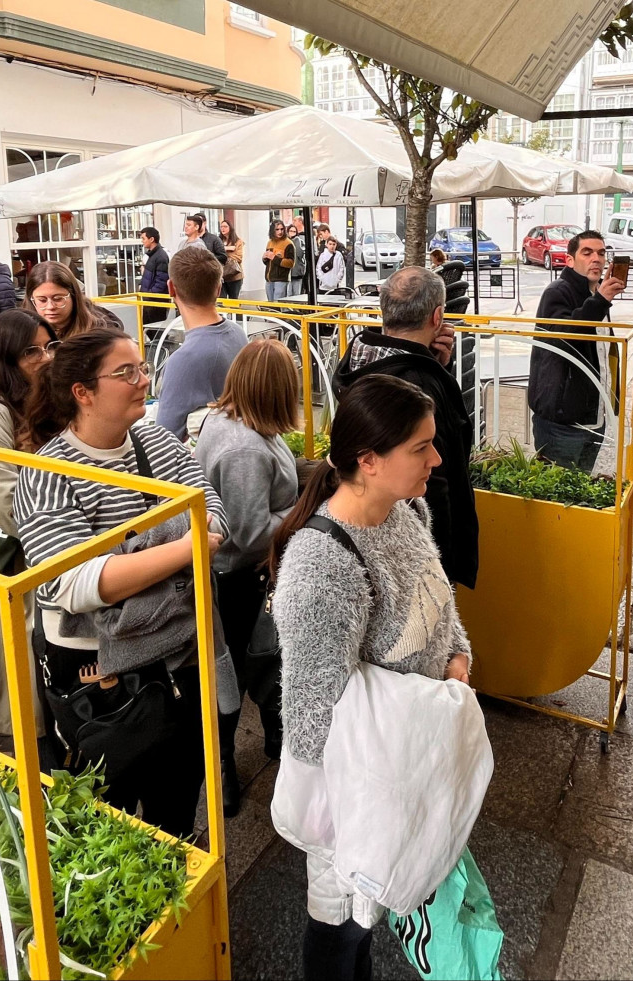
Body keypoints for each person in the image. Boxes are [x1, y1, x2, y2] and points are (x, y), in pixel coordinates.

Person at [268, 373, 472, 981]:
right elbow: (310, 715)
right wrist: (331, 826)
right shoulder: (321, 565)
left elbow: (437, 594)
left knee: (372, 914)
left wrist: (456, 655)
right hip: (355, 790)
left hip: (407, 757)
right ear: (369, 461)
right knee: (342, 924)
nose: (437, 460)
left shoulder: (405, 509)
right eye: (421, 448)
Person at [15, 328, 227, 838]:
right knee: (106, 817)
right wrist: (180, 547)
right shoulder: (46, 471)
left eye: (142, 367)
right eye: (126, 372)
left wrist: (125, 555)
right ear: (82, 393)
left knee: (176, 802)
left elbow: (214, 516)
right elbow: (70, 584)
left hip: (178, 661)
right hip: (99, 682)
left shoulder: (152, 438)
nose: (143, 379)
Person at [194, 339, 300, 816]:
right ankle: (223, 771)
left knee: (242, 668)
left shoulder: (228, 419)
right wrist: (304, 510)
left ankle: (255, 749)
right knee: (236, 672)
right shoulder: (244, 449)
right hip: (236, 581)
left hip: (234, 579)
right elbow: (249, 532)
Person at [332, 266, 477, 588]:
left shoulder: (359, 355)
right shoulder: (417, 383)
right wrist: (443, 564)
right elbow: (436, 479)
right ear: (437, 316)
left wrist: (437, 365)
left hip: (369, 518)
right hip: (413, 542)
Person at [0, 309, 58, 753]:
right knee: (17, 708)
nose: (44, 358)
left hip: (36, 573)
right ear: (6, 359)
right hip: (5, 572)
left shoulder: (40, 404)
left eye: (48, 347)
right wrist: (71, 538)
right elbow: (10, 507)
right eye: (30, 352)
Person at [527, 230, 625, 472]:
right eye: (587, 252)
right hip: (562, 420)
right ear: (570, 260)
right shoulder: (558, 291)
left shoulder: (596, 293)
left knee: (579, 490)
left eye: (601, 253)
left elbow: (601, 351)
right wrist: (601, 300)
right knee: (556, 493)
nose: (597, 259)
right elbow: (564, 339)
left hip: (593, 416)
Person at [0, 260, 120, 397]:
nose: (50, 307)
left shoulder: (101, 330)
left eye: (58, 299)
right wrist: (21, 398)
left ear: (74, 296)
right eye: (42, 300)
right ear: (31, 299)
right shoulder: (17, 328)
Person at [155, 248, 247, 440]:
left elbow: (165, 438)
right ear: (219, 288)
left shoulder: (183, 360)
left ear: (171, 288)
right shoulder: (238, 333)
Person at [139, 226, 171, 324]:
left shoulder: (161, 257)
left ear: (152, 239)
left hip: (155, 301)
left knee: (155, 329)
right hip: (149, 299)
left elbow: (161, 281)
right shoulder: (152, 256)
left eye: (143, 238)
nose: (142, 241)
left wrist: (150, 294)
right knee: (147, 327)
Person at [263, 219, 296, 302]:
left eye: (282, 229)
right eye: (277, 229)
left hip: (281, 279)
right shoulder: (270, 242)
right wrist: (264, 258)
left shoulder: (288, 243)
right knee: (271, 305)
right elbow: (268, 262)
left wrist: (274, 258)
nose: (280, 232)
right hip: (269, 278)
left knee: (278, 303)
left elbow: (291, 263)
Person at [219, 220, 245, 300]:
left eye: (225, 226)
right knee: (222, 300)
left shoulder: (238, 241)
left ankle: (236, 313)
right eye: (221, 227)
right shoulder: (218, 241)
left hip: (235, 275)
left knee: (234, 299)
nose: (223, 229)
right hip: (222, 275)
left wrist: (224, 253)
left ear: (230, 228)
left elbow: (238, 258)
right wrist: (227, 248)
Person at [285, 219, 307, 297]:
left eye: (294, 231)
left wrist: (297, 242)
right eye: (291, 231)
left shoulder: (299, 241)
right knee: (288, 294)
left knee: (296, 294)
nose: (292, 233)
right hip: (287, 273)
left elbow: (300, 254)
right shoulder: (285, 241)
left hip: (297, 272)